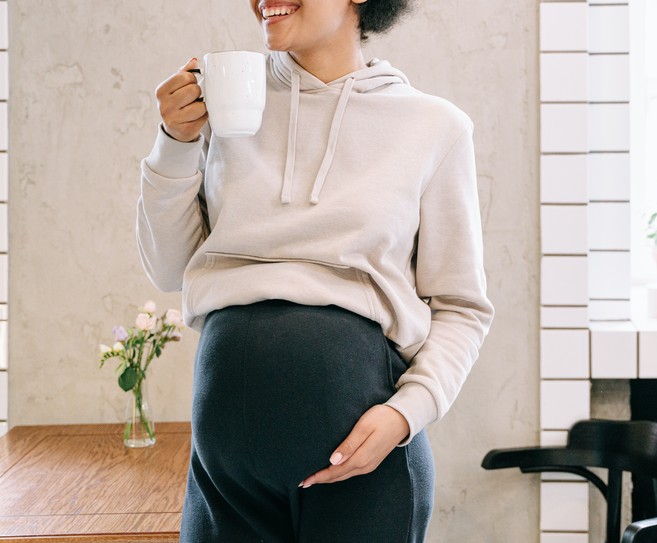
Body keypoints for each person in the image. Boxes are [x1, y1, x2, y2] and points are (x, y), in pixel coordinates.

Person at [136, 1, 494, 541]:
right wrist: (174, 142)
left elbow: (462, 308)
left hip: (364, 471)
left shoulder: (434, 127)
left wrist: (405, 415)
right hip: (227, 468)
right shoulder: (222, 106)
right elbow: (167, 269)